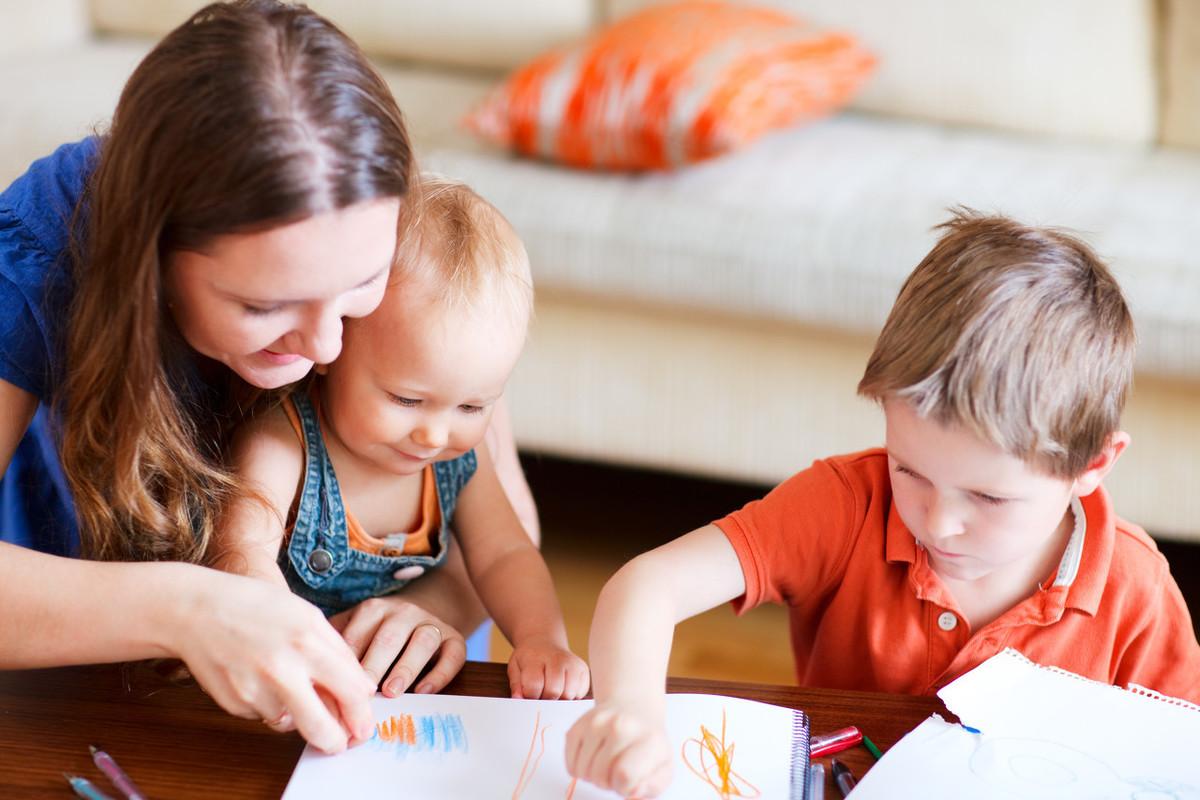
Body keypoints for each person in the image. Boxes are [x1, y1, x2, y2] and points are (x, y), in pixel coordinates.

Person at [0, 0, 538, 755]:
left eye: (361, 286)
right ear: (149, 258)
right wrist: (188, 607)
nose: (324, 345)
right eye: (264, 305)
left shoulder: (396, 235)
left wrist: (438, 601)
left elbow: (504, 513)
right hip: (80, 685)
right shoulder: (47, 243)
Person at [563, 211, 1200, 797]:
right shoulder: (845, 505)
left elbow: (1178, 762)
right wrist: (631, 709)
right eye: (910, 470)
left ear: (1094, 465)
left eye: (988, 496)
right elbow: (649, 585)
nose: (939, 521)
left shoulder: (1134, 591)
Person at [211, 177, 589, 702]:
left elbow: (505, 554)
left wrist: (542, 640)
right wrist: (295, 648)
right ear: (331, 347)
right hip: (299, 683)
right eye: (406, 400)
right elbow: (240, 557)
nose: (434, 435)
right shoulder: (282, 441)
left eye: (473, 406)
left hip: (414, 684)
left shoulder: (461, 459)